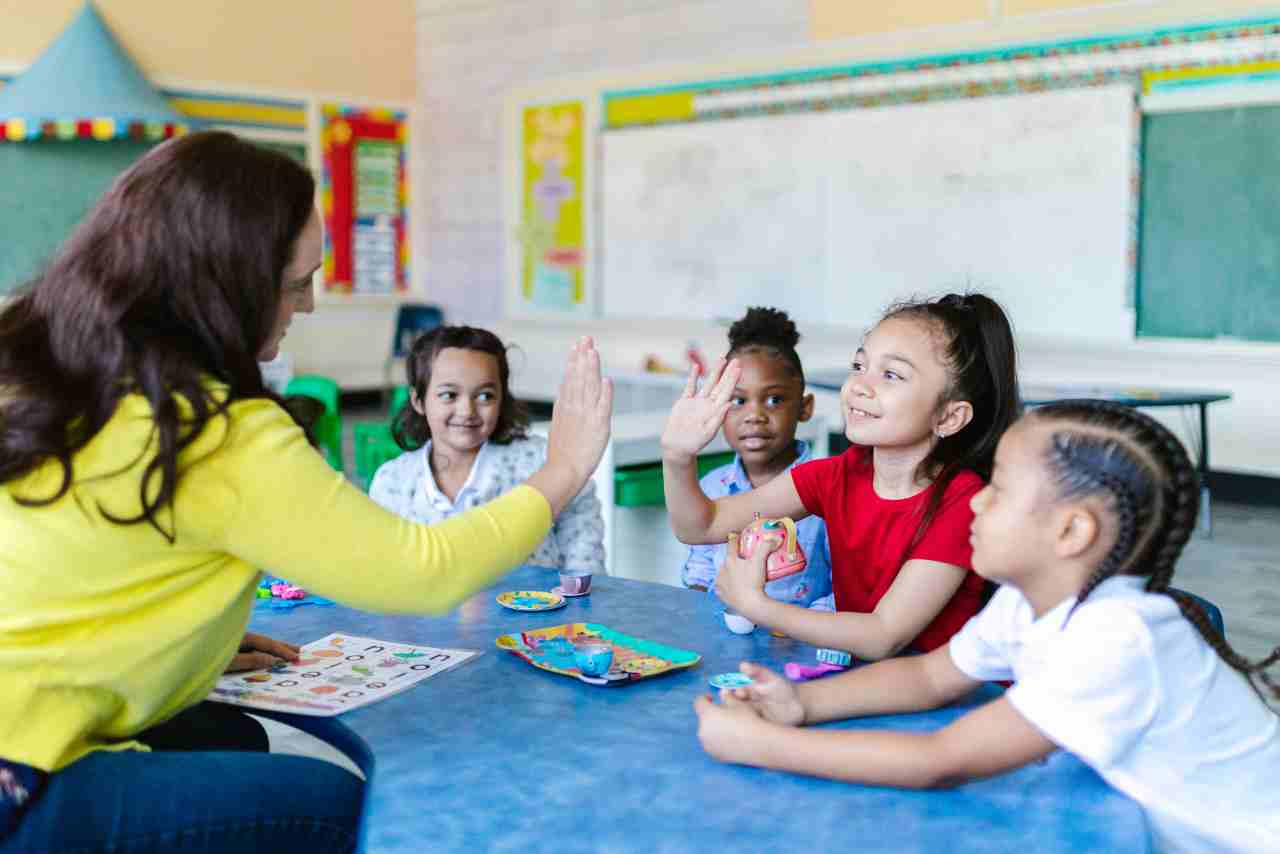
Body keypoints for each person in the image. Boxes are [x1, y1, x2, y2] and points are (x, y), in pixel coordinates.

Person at [0, 130, 613, 853]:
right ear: (223, 285)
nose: (311, 305)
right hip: (19, 775)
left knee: (230, 733)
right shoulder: (210, 426)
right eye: (296, 284)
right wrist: (565, 467)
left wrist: (184, 645)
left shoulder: (47, 365)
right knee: (329, 803)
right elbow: (421, 570)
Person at [694, 401, 1280, 854]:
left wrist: (764, 745)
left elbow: (941, 761)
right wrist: (801, 702)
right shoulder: (1030, 604)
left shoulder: (1115, 635)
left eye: (998, 490)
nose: (975, 503)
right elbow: (929, 677)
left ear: (1071, 533)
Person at [663, 294, 1019, 659]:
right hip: (860, 681)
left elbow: (883, 634)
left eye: (891, 374)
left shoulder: (963, 503)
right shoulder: (837, 475)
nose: (860, 386)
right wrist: (677, 456)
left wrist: (758, 606)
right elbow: (702, 526)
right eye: (859, 365)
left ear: (948, 417)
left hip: (938, 702)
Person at [369, 325, 605, 576]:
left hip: (539, 613)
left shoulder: (543, 462)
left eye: (484, 396)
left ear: (502, 398)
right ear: (419, 401)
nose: (466, 410)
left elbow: (583, 545)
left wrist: (581, 600)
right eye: (449, 395)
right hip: (427, 615)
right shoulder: (392, 481)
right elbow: (383, 572)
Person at [679, 307, 832, 614]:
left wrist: (802, 630)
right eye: (738, 401)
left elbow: (843, 589)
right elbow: (699, 571)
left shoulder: (830, 492)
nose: (755, 416)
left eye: (774, 399)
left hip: (803, 647)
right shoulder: (711, 487)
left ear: (805, 408)